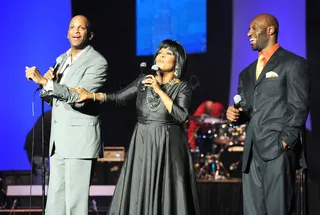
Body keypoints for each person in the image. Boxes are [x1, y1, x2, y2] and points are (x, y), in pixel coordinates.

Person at [70, 39, 200, 215]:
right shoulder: (143, 81)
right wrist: (91, 95)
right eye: (160, 52)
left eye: (168, 53)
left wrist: (159, 89)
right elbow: (117, 98)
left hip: (168, 144)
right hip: (143, 141)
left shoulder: (182, 87)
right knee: (139, 189)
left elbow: (182, 115)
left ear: (178, 61)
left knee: (167, 192)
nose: (162, 56)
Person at [226, 14, 310, 215]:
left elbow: (299, 106)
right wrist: (236, 115)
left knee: (278, 210)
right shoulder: (245, 73)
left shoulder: (293, 63)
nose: (248, 33)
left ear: (270, 30)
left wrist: (285, 142)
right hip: (252, 153)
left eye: (254, 28)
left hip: (277, 151)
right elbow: (247, 110)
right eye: (248, 29)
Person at [25, 15, 108, 215]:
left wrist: (47, 84)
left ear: (90, 34)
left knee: (75, 205)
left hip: (80, 142)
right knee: (55, 205)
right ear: (67, 33)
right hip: (59, 142)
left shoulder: (97, 62)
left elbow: (79, 98)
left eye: (81, 28)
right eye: (72, 27)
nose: (76, 31)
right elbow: (55, 100)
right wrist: (44, 85)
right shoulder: (61, 59)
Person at [24, 110, 51, 185]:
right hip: (38, 146)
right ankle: (40, 195)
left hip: (31, 144)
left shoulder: (48, 114)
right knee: (42, 171)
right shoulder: (54, 117)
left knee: (37, 171)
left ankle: (38, 193)